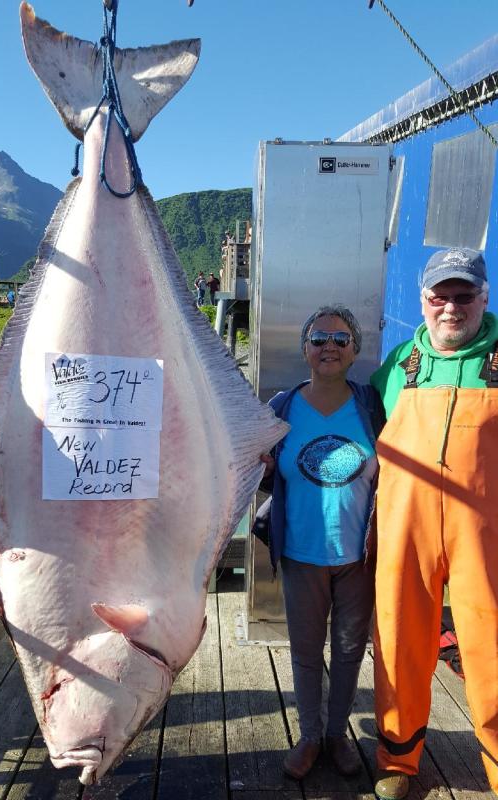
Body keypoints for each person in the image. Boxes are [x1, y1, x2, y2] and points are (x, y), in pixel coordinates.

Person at [370, 247, 498, 800]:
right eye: (439, 295)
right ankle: (399, 762)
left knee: (492, 646)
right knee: (399, 640)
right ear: (423, 300)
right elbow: (358, 444)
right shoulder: (398, 366)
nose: (451, 307)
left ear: (484, 298)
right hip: (405, 532)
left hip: (485, 539)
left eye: (463, 295)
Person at [259, 305, 384, 780]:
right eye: (318, 338)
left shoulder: (372, 406)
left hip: (359, 555)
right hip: (300, 554)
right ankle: (309, 736)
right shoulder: (281, 408)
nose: (328, 346)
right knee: (306, 651)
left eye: (339, 338)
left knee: (350, 649)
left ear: (355, 349)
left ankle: (337, 734)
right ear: (304, 349)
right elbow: (254, 465)